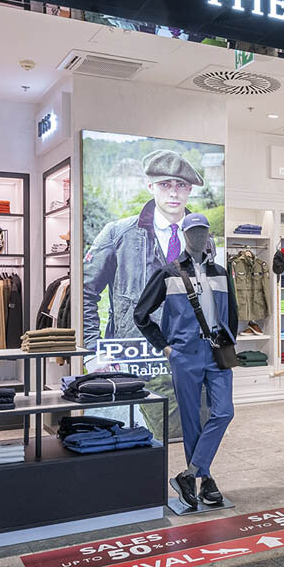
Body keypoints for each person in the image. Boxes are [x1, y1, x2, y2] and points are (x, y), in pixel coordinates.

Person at [82, 148, 203, 438]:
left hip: (187, 358)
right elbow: (85, 292)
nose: (173, 192)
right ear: (150, 186)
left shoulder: (201, 239)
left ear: (189, 190)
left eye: (181, 185)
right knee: (135, 441)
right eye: (165, 184)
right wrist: (92, 351)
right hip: (134, 358)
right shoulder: (118, 234)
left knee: (186, 438)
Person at [134, 213, 237, 509]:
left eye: (203, 231)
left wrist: (230, 341)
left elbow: (232, 312)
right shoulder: (169, 273)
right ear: (185, 235)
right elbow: (141, 314)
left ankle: (190, 474)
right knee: (191, 419)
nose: (199, 237)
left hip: (217, 352)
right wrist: (166, 348)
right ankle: (206, 481)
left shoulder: (221, 272)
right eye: (193, 232)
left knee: (224, 412)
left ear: (208, 235)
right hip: (184, 354)